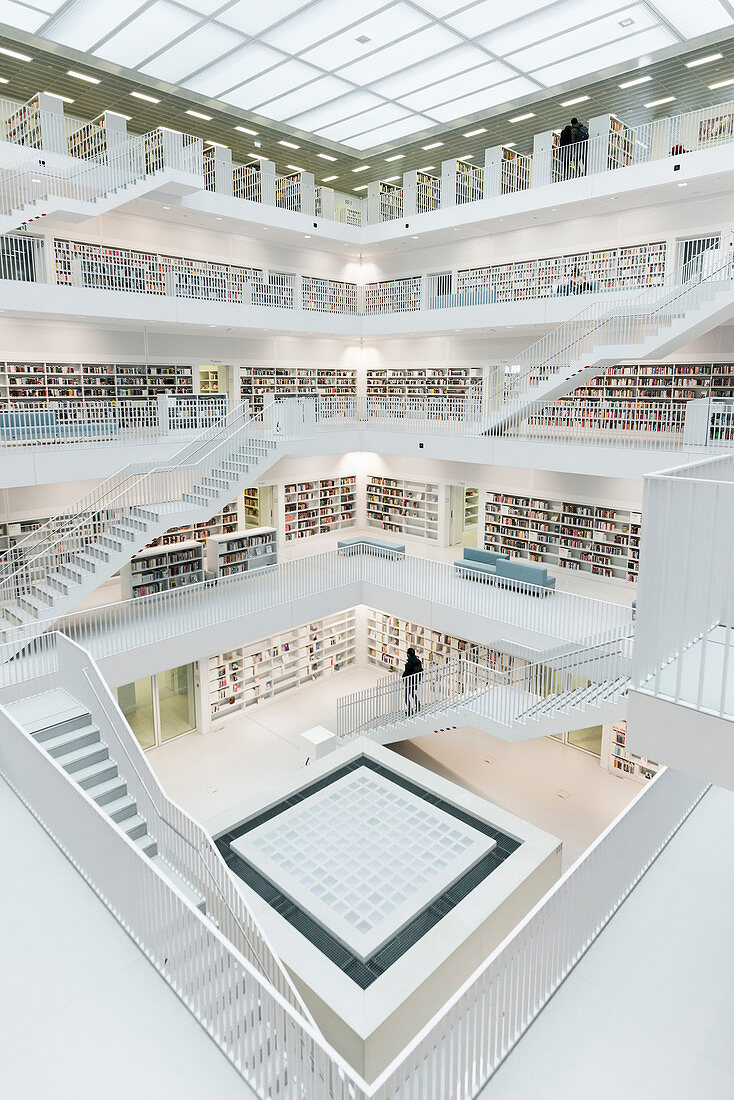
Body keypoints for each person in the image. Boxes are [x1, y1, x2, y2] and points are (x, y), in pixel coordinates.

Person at [402, 647, 423, 715]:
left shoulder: (409, 664)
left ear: (408, 654)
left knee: (406, 696)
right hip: (415, 680)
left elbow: (407, 674)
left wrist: (403, 677)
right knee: (412, 692)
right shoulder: (419, 662)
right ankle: (418, 704)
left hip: (409, 681)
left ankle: (409, 710)